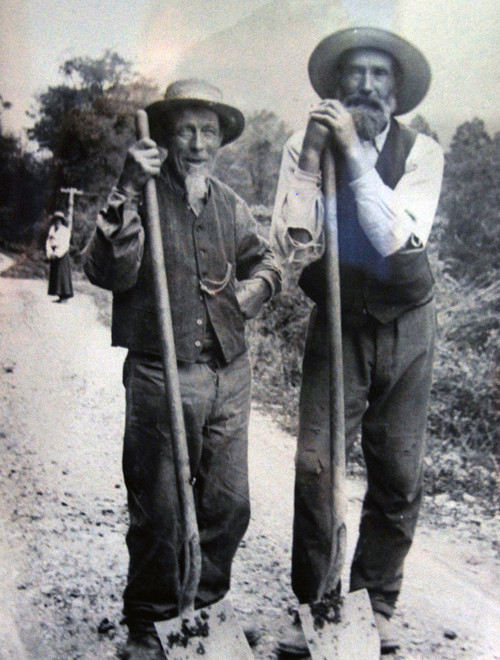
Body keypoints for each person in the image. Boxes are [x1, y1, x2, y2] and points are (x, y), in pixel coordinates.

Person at [83, 79, 281, 660]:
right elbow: (105, 272)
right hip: (159, 372)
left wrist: (257, 290)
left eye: (208, 131)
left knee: (228, 504)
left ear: (220, 140)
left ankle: (208, 613)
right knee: (161, 509)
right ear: (167, 137)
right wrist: (126, 185)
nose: (197, 143)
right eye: (186, 130)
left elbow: (266, 257)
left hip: (229, 375)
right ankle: (149, 623)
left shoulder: (228, 203)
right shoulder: (140, 195)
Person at [271, 28, 444, 655]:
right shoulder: (303, 143)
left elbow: (394, 237)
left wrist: (353, 152)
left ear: (396, 90)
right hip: (338, 318)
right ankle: (315, 603)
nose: (367, 86)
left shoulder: (423, 152)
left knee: (397, 470)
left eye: (380, 75)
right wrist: (316, 158)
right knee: (316, 464)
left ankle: (376, 601)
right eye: (356, 74)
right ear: (337, 86)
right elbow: (291, 242)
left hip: (407, 320)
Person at [46, 211, 73, 303]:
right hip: (53, 254)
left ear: (62, 221)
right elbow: (48, 242)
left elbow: (65, 244)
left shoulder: (65, 231)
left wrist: (57, 254)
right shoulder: (52, 229)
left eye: (59, 220)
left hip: (62, 254)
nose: (57, 222)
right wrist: (50, 253)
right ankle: (59, 296)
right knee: (56, 275)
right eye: (56, 220)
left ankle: (65, 296)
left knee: (62, 275)